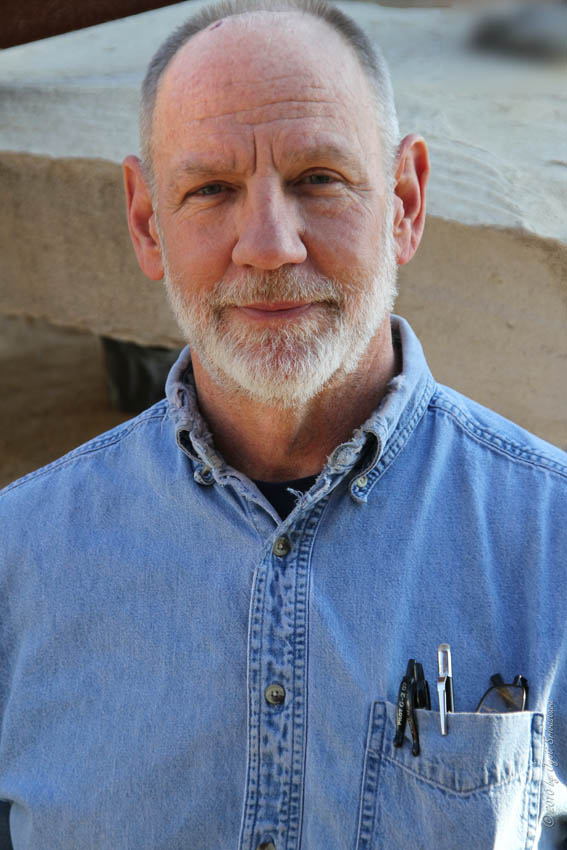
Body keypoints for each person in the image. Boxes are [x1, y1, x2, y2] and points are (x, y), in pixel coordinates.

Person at [1, 0, 565, 847]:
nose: (269, 246)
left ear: (405, 202)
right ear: (147, 223)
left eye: (318, 179)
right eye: (210, 190)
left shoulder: (551, 540)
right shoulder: (18, 561)